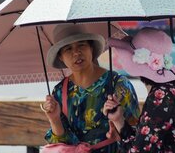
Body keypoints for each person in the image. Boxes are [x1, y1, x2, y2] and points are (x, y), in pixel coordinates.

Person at [40, 24, 140, 153]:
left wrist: (118, 124)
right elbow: (62, 144)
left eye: (81, 45)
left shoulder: (118, 84)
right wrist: (54, 119)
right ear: (61, 57)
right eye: (68, 49)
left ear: (91, 48)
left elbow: (137, 134)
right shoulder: (60, 91)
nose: (76, 52)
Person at [103, 27, 175, 152]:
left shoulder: (161, 97)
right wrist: (118, 120)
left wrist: (119, 123)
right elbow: (144, 141)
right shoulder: (169, 90)